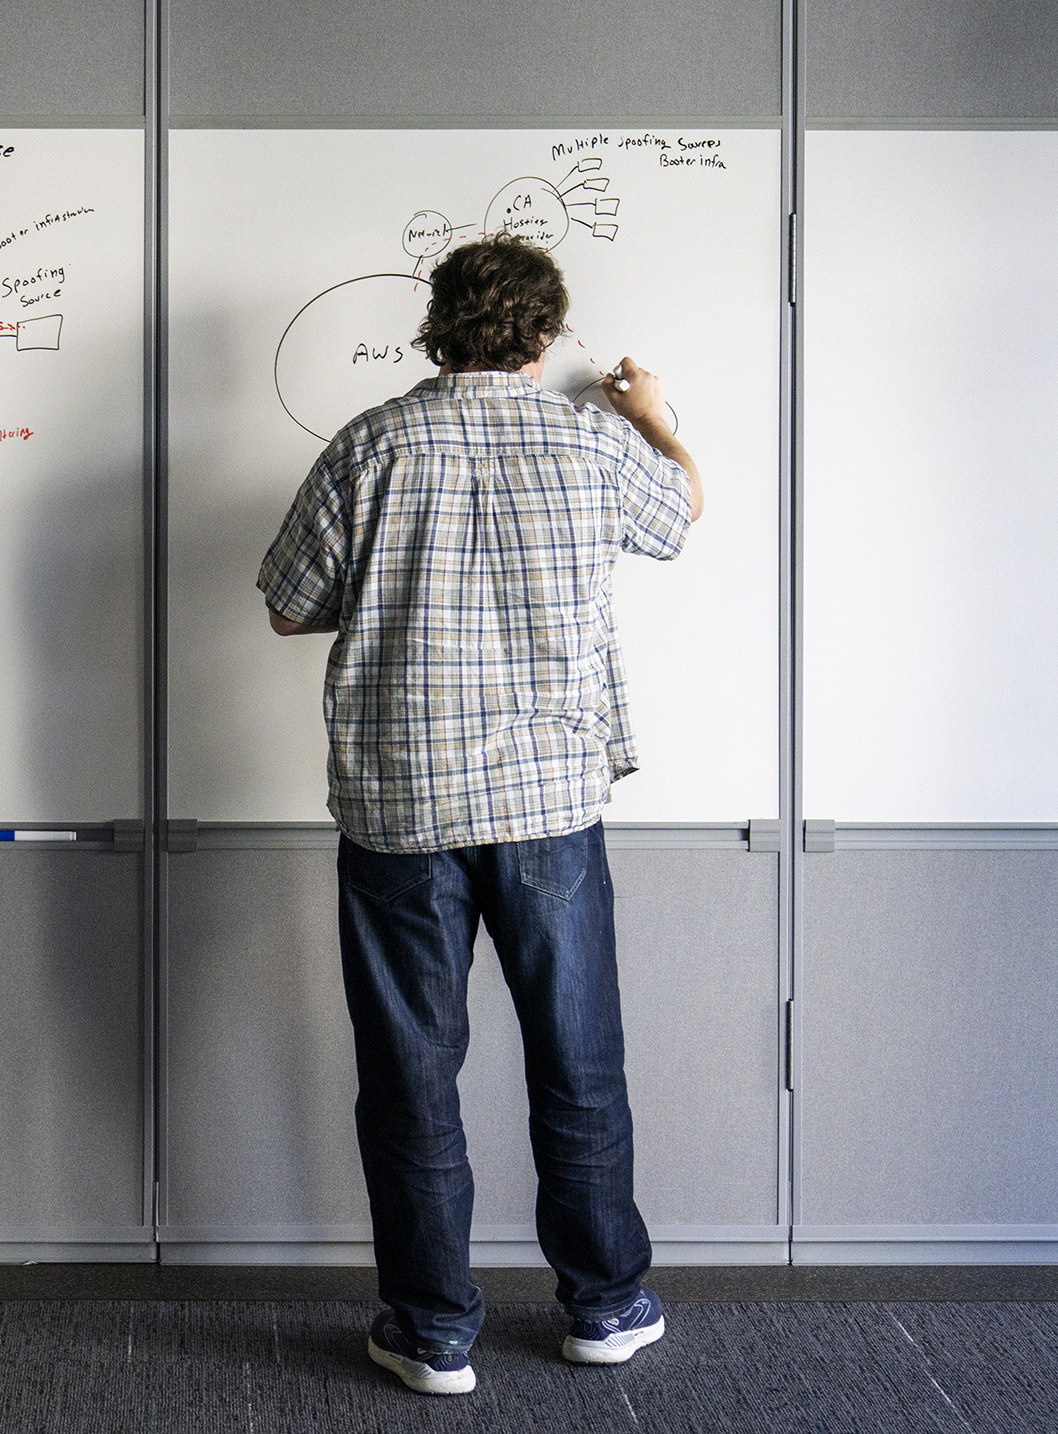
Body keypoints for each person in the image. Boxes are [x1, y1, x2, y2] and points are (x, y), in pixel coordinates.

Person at [256, 235, 702, 1396]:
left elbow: (290, 611)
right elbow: (682, 516)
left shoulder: (370, 444)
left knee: (410, 1075)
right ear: (545, 337)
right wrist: (655, 416)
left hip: (402, 804)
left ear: (434, 327)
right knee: (579, 1063)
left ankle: (432, 1331)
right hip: (548, 801)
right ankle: (605, 1308)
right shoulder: (593, 439)